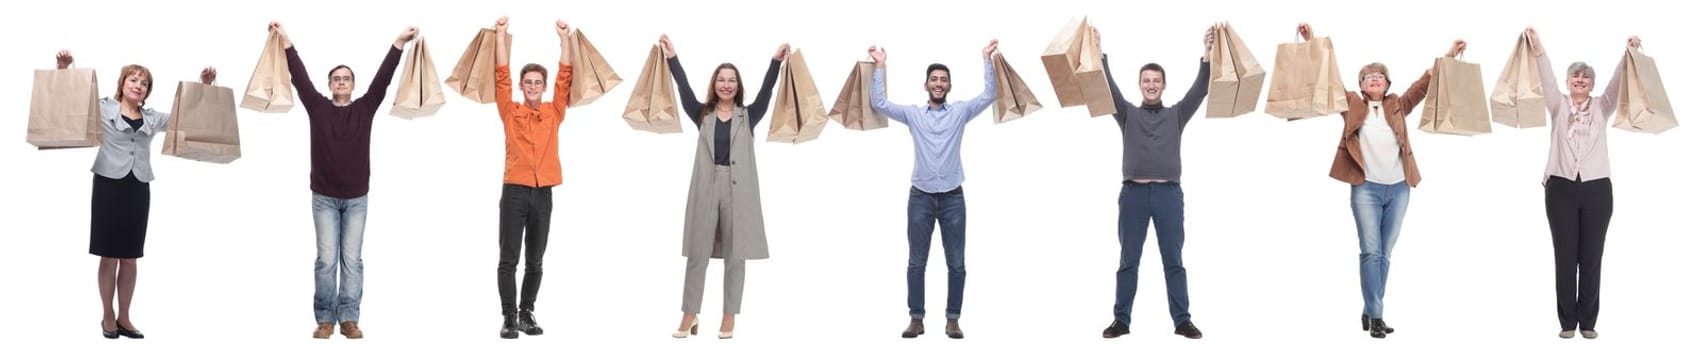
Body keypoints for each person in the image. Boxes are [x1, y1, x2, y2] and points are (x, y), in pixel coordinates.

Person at [1296, 22, 1466, 339]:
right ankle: (1376, 315)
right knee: (1370, 251)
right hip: (1366, 188)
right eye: (1368, 76)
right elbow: (1329, 77)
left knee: (1385, 253)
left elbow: (1424, 83)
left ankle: (1370, 308)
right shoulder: (1350, 103)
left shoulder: (1398, 104)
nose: (1374, 78)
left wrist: (1449, 56)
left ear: (1387, 83)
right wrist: (1311, 40)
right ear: (1361, 84)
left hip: (1400, 187)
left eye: (1380, 75)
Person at [55, 50, 216, 340]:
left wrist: (204, 87)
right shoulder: (104, 108)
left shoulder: (152, 118)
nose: (138, 85)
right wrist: (64, 68)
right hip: (108, 186)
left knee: (130, 257)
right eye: (134, 79)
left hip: (137, 188)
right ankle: (107, 315)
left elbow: (187, 117)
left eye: (144, 83)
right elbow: (71, 100)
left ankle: (125, 317)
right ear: (123, 83)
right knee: (108, 255)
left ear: (146, 92)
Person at [271, 21, 415, 340]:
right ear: (330, 85)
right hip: (323, 196)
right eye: (336, 78)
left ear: (352, 84)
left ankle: (349, 317)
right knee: (326, 260)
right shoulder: (318, 107)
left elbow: (384, 79)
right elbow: (300, 77)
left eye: (346, 78)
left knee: (352, 260)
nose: (341, 82)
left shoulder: (365, 107)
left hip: (356, 198)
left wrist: (398, 44)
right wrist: (286, 42)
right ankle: (325, 319)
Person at [867, 39, 1000, 340]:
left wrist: (985, 59)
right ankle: (916, 318)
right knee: (916, 262)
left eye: (943, 80)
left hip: (953, 197)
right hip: (921, 197)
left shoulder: (961, 112)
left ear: (949, 85)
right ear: (925, 85)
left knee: (957, 263)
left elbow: (991, 94)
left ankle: (953, 319)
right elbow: (880, 104)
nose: (938, 84)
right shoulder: (914, 114)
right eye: (934, 80)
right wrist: (879, 65)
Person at [658, 34, 786, 340]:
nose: (726, 85)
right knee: (697, 252)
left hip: (738, 189)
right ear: (714, 84)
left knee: (735, 253)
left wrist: (776, 62)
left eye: (731, 80)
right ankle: (690, 314)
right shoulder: (702, 113)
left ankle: (729, 316)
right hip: (707, 185)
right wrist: (672, 57)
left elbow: (768, 91)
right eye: (721, 80)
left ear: (738, 86)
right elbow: (684, 88)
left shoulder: (748, 116)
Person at [1094, 26, 1213, 340]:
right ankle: (1121, 321)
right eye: (1146, 80)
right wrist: (1099, 53)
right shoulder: (1127, 114)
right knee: (1128, 261)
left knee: (1173, 260)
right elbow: (1108, 90)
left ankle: (1182, 320)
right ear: (1140, 85)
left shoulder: (1176, 115)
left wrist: (1206, 53)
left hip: (1168, 195)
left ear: (1163, 85)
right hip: (1132, 195)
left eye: (1156, 81)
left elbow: (1200, 90)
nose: (1151, 85)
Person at [1527, 27, 1639, 340]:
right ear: (1568, 82)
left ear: (1592, 84)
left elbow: (1618, 85)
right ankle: (1567, 322)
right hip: (1560, 187)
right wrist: (1538, 47)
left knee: (1591, 258)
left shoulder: (1602, 107)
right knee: (1565, 257)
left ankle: (1588, 322)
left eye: (1585, 78)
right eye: (1575, 77)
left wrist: (1627, 53)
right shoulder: (1558, 105)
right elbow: (1546, 76)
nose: (1580, 81)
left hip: (1597, 189)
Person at [490, 16, 575, 339]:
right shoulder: (510, 111)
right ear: (523, 85)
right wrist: (500, 35)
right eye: (528, 82)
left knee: (536, 260)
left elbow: (565, 77)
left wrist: (564, 39)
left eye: (538, 82)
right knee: (508, 258)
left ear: (543, 85)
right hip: (514, 191)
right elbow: (501, 76)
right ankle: (509, 317)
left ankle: (527, 312)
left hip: (543, 194)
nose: (533, 87)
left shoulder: (554, 111)